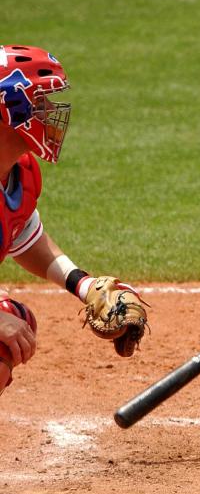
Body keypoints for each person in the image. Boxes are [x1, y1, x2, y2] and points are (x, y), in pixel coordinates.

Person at [0, 45, 148, 396]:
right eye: (39, 102)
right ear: (8, 108)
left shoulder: (19, 173)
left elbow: (25, 235)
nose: (49, 112)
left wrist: (85, 286)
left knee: (13, 322)